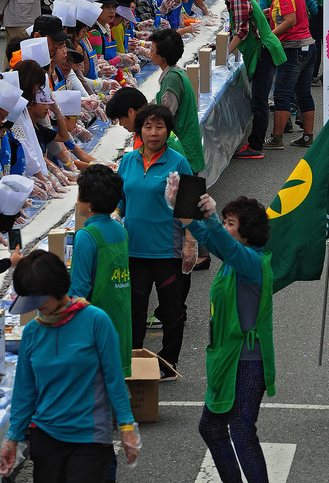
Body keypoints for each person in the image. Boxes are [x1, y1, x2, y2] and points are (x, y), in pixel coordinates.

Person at [0, 251, 140, 481]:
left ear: (57, 287)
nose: (36, 308)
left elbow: (114, 379)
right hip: (46, 437)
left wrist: (127, 427)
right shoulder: (33, 332)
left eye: (39, 299)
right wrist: (11, 438)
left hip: (90, 437)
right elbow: (25, 391)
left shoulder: (96, 321)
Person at [183, 193, 275, 483]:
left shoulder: (250, 262)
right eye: (223, 221)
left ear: (247, 232)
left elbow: (220, 242)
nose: (224, 227)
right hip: (227, 358)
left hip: (248, 361)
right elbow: (211, 239)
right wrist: (183, 210)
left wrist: (209, 219)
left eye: (230, 222)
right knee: (211, 429)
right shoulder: (234, 259)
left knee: (241, 430)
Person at [116, 103, 192, 378]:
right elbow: (121, 200)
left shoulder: (178, 162)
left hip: (166, 251)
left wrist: (190, 242)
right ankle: (134, 360)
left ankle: (168, 363)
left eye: (160, 126)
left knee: (171, 311)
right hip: (134, 249)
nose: (154, 132)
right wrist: (115, 214)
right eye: (148, 126)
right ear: (140, 130)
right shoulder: (127, 161)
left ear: (168, 131)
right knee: (134, 310)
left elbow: (189, 206)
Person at [202, 0, 287, 160]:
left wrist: (224, 54)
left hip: (263, 51)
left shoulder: (238, 0)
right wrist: (217, 47)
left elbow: (241, 32)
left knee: (259, 100)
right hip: (259, 50)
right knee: (259, 98)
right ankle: (255, 142)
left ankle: (256, 145)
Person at [70, 165, 132, 375]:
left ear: (88, 204)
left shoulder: (86, 236)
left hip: (94, 323)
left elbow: (79, 289)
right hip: (119, 317)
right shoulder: (120, 230)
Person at [263, 0, 316, 150]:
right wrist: (272, 12)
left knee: (281, 94)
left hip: (293, 48)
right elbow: (294, 12)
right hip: (309, 45)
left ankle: (277, 138)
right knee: (303, 92)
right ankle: (308, 136)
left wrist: (269, 37)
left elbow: (290, 20)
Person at [150, 28, 205, 173]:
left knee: (184, 193)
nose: (150, 53)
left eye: (152, 50)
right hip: (187, 144)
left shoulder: (172, 79)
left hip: (182, 147)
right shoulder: (176, 72)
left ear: (163, 56)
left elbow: (166, 117)